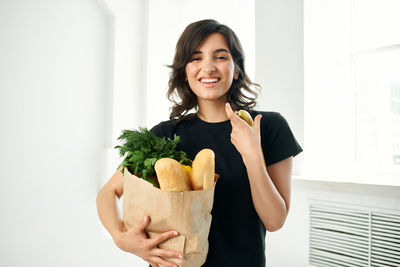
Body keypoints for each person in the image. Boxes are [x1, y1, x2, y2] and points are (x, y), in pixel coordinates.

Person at [96, 19, 302, 267]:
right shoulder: (165, 135)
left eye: (221, 57)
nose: (208, 67)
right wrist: (121, 238)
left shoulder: (265, 127)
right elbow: (109, 192)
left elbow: (275, 221)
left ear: (236, 69)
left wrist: (251, 155)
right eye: (196, 58)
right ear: (185, 70)